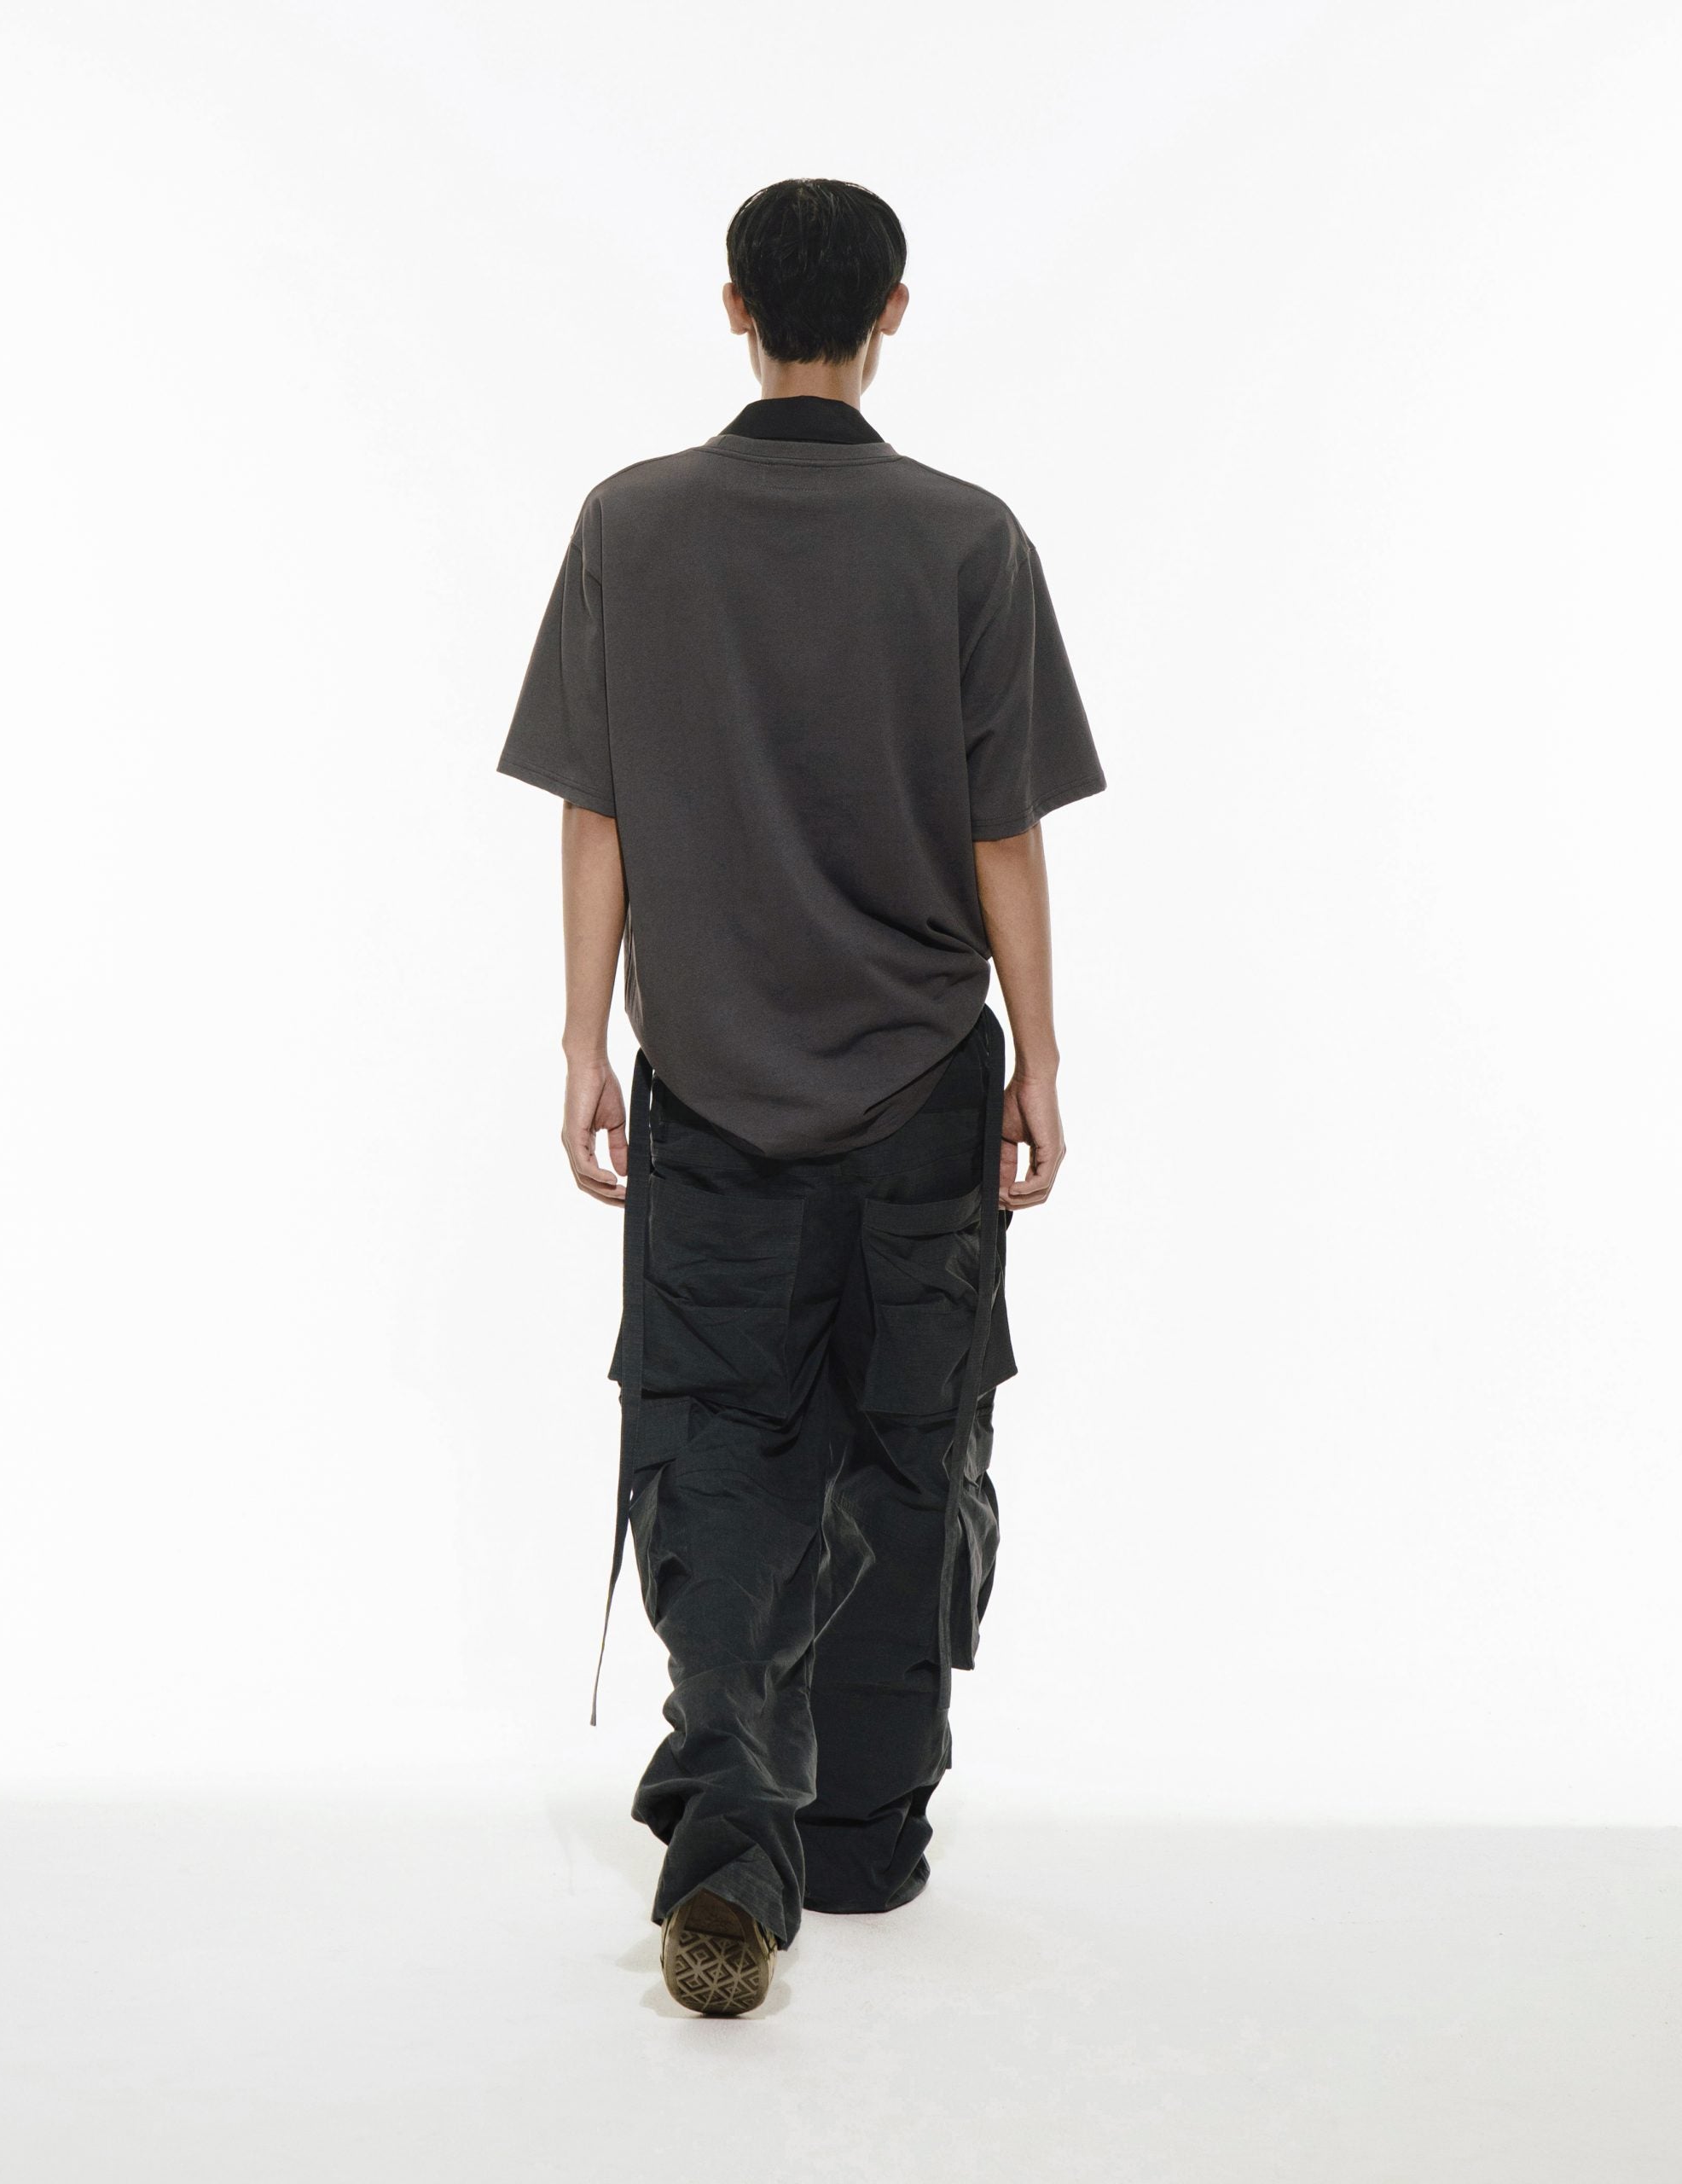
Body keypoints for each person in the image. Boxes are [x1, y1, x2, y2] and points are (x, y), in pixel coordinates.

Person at [496, 177, 1105, 2017]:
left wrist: (582, 1041)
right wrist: (1041, 1054)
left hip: (712, 1081)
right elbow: (1000, 835)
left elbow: (597, 809)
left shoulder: (631, 523)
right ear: (893, 310)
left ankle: (729, 1848)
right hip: (921, 1081)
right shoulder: (969, 539)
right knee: (909, 1441)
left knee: (717, 1446)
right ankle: (861, 1840)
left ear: (735, 306)